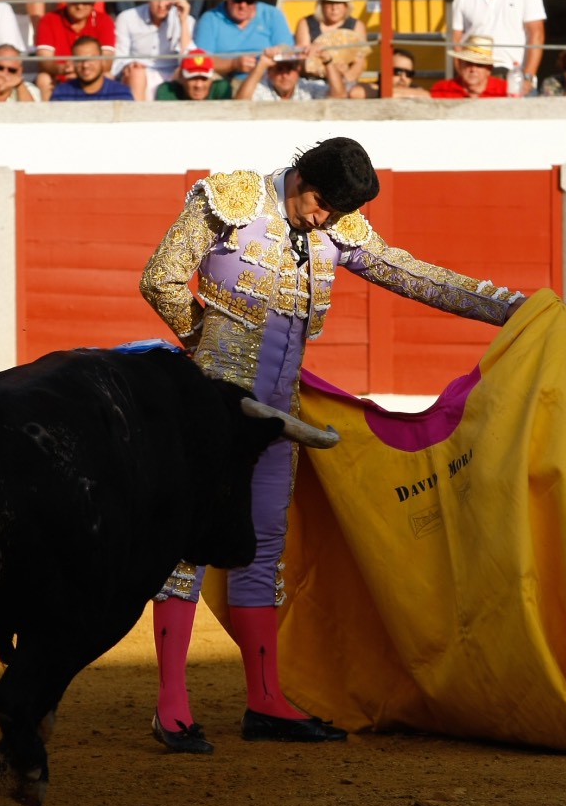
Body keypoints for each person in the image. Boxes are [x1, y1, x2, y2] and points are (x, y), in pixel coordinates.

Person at [139, 137, 525, 752]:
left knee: (263, 547)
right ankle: (171, 707)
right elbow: (159, 278)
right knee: (190, 547)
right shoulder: (230, 199)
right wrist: (204, 353)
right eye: (321, 205)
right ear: (299, 179)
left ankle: (264, 700)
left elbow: (409, 273)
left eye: (335, 214)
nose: (325, 220)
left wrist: (510, 308)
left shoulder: (334, 227)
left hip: (279, 415)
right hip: (210, 410)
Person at [193, 0, 293, 84]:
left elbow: (288, 49)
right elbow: (200, 60)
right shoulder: (210, 19)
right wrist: (233, 64)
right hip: (223, 82)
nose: (243, 5)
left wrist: (277, 51)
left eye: (249, 0)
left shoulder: (273, 15)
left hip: (266, 80)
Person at [112, 0, 194, 100]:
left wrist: (183, 22)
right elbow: (118, 60)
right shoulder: (127, 18)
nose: (161, 5)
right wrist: (129, 64)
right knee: (136, 74)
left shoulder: (186, 20)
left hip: (173, 75)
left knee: (188, 72)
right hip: (140, 75)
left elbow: (188, 59)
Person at [35, 0, 116, 100]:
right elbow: (43, 60)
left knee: (107, 76)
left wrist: (80, 71)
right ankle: (49, 119)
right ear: (66, 0)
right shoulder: (49, 20)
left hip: (91, 76)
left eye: (85, 2)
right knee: (43, 78)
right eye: (74, 1)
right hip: (60, 76)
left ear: (93, 3)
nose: (79, 6)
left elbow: (107, 63)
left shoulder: (104, 21)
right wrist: (62, 69)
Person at [293, 0, 369, 95]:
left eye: (339, 3)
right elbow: (304, 61)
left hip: (345, 81)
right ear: (322, 4)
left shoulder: (357, 26)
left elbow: (360, 62)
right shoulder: (306, 23)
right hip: (312, 82)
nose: (334, 8)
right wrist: (331, 70)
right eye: (329, 3)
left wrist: (345, 79)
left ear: (346, 5)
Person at [234, 43, 347, 101]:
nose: (285, 75)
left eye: (290, 69)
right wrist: (261, 64)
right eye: (279, 69)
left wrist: (327, 60)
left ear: (298, 70)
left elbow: (339, 96)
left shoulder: (307, 88)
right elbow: (241, 101)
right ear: (269, 72)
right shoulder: (262, 88)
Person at [49, 34, 135, 99]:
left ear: (102, 60)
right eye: (79, 60)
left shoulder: (120, 93)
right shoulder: (61, 93)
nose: (85, 65)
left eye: (91, 59)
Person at [431, 34, 508, 99]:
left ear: (489, 69)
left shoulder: (506, 90)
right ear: (460, 64)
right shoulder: (442, 89)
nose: (473, 69)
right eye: (468, 63)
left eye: (479, 65)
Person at [154, 47, 232, 99]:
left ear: (211, 79)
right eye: (192, 78)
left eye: (204, 78)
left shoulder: (221, 90)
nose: (199, 85)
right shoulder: (168, 91)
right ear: (181, 77)